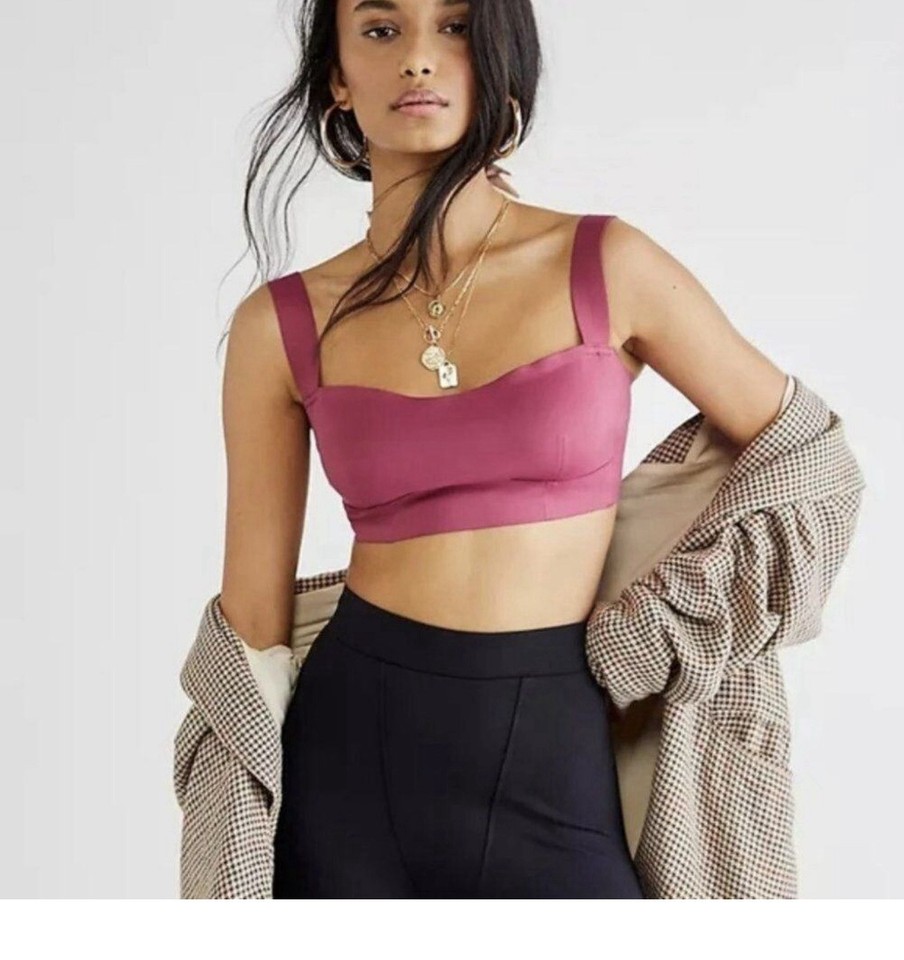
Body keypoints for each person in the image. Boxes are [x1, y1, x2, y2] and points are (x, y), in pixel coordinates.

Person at [216, 0, 790, 898]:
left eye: (454, 27)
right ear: (337, 79)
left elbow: (803, 453)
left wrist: (666, 624)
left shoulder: (607, 264)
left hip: (553, 749)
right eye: (380, 31)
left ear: (499, 56)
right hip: (351, 761)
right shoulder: (280, 324)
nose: (418, 59)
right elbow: (251, 623)